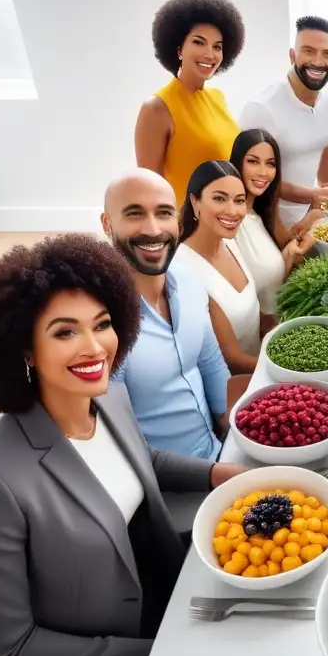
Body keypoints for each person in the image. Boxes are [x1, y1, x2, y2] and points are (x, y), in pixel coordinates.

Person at [0, 234, 245, 656]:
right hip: (121, 651)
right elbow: (13, 652)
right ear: (23, 346)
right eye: (66, 331)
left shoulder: (109, 398)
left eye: (102, 324)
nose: (95, 347)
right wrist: (167, 655)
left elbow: (142, 462)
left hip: (172, 602)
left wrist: (216, 474)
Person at [101, 169, 233, 460]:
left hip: (223, 456)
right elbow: (120, 443)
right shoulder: (102, 324)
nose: (153, 229)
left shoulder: (188, 281)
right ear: (107, 224)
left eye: (163, 213)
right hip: (171, 490)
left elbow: (211, 365)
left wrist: (244, 438)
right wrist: (215, 476)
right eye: (134, 214)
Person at [134, 0, 245, 206]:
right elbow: (150, 187)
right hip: (186, 227)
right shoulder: (157, 108)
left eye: (217, 46)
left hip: (227, 218)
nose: (210, 54)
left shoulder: (217, 98)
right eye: (199, 42)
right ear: (178, 49)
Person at [239, 16, 328, 228]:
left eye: (326, 53)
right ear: (292, 55)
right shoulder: (262, 108)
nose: (318, 62)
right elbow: (247, 175)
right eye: (309, 51)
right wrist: (311, 195)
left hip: (313, 217)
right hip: (266, 222)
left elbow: (321, 140)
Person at [175, 160, 263, 374]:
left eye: (239, 200)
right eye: (219, 199)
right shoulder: (181, 269)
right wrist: (290, 367)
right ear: (195, 202)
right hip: (235, 386)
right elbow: (231, 359)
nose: (232, 211)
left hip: (260, 367)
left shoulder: (231, 243)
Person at [228, 128, 319, 317]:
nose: (263, 172)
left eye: (270, 164)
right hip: (257, 334)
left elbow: (272, 283)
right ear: (237, 163)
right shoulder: (229, 223)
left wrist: (312, 221)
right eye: (253, 161)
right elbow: (249, 296)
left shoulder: (261, 213)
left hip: (277, 319)